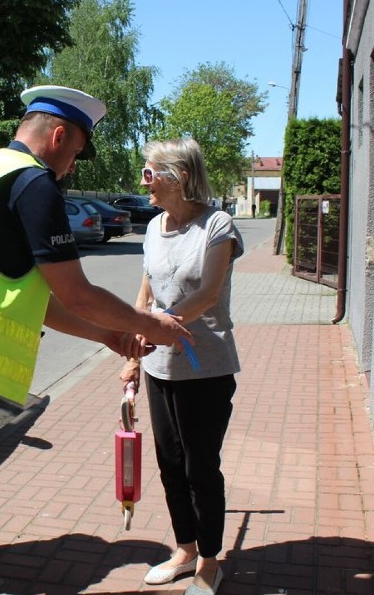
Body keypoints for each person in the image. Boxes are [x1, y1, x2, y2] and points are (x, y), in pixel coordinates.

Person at [0, 85, 193, 595]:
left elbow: (41, 299)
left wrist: (109, 336)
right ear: (57, 135)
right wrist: (149, 326)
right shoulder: (32, 184)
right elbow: (76, 291)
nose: (72, 168)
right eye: (75, 153)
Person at [120, 138, 243, 595]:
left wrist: (157, 327)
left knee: (200, 467)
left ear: (180, 176)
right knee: (169, 462)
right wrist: (134, 354)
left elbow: (208, 293)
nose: (143, 182)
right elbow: (144, 296)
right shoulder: (153, 228)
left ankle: (210, 560)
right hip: (160, 367)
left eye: (150, 173)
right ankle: (185, 548)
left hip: (206, 369)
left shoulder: (217, 225)